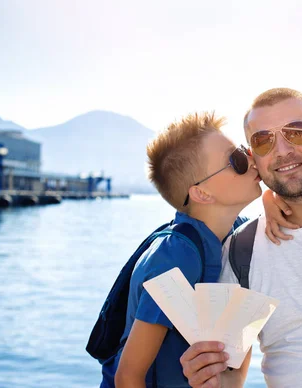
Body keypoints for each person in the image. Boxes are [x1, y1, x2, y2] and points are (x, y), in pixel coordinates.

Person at [179, 89, 302, 388]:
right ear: (253, 158)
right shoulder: (242, 249)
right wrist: (210, 377)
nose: (281, 151)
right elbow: (232, 374)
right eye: (264, 140)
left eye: (296, 132)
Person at [100, 112, 261, 388]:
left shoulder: (242, 236)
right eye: (236, 159)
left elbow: (235, 364)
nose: (252, 160)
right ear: (202, 193)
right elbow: (128, 376)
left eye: (245, 151)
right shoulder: (176, 255)